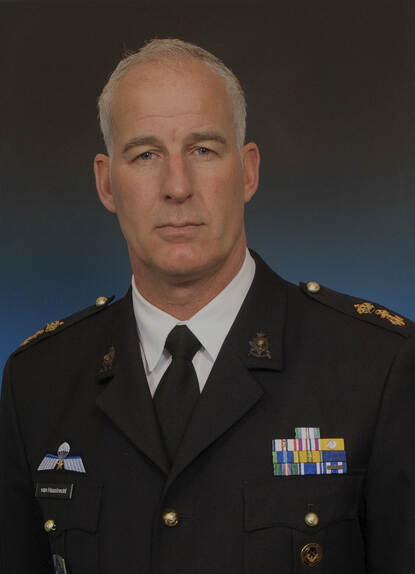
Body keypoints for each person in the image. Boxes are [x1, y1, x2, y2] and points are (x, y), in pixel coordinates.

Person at [1, 38, 414, 574]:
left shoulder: (378, 368)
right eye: (146, 154)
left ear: (248, 171)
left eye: (203, 150)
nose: (177, 186)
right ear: (106, 183)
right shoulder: (38, 383)